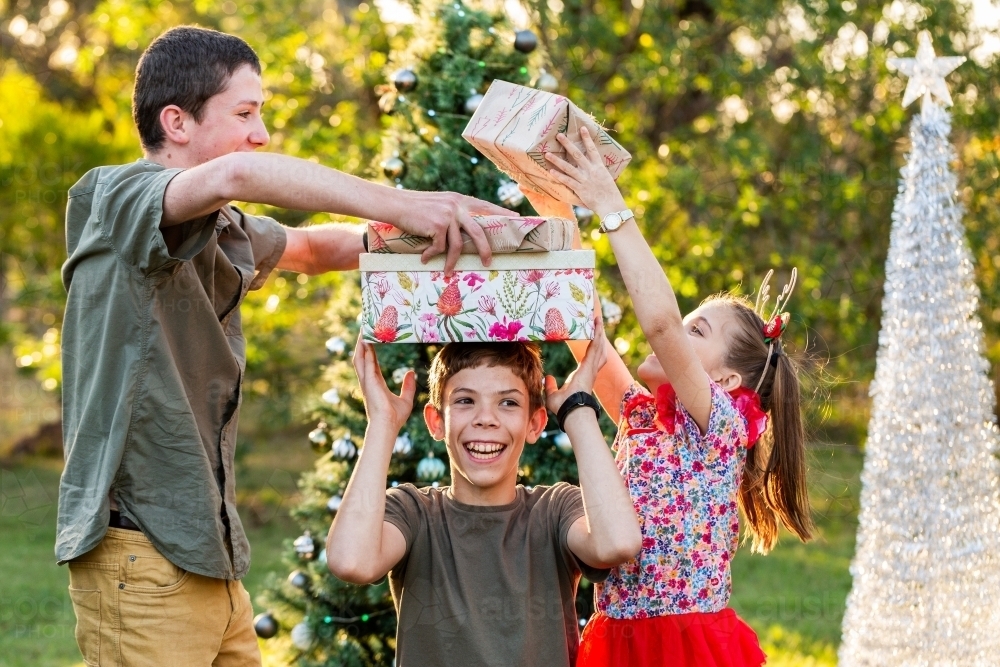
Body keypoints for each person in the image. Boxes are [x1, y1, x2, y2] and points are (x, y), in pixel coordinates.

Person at [57, 25, 513, 667]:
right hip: (139, 560)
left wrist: (431, 230)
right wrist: (406, 202)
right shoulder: (114, 197)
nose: (261, 131)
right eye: (245, 113)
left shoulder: (222, 226)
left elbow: (308, 249)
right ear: (176, 122)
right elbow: (242, 171)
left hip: (206, 558)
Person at [534, 127, 815, 666]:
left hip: (684, 647)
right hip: (616, 639)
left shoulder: (721, 429)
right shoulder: (641, 414)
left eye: (698, 333)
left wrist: (609, 205)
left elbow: (660, 323)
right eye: (687, 326)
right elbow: (580, 328)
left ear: (728, 382)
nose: (675, 338)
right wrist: (554, 203)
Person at [325, 326, 642, 667]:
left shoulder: (555, 510)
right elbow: (351, 561)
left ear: (534, 424)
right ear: (435, 422)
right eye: (465, 401)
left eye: (508, 402)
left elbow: (618, 544)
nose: (485, 419)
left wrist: (577, 411)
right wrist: (383, 425)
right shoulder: (414, 512)